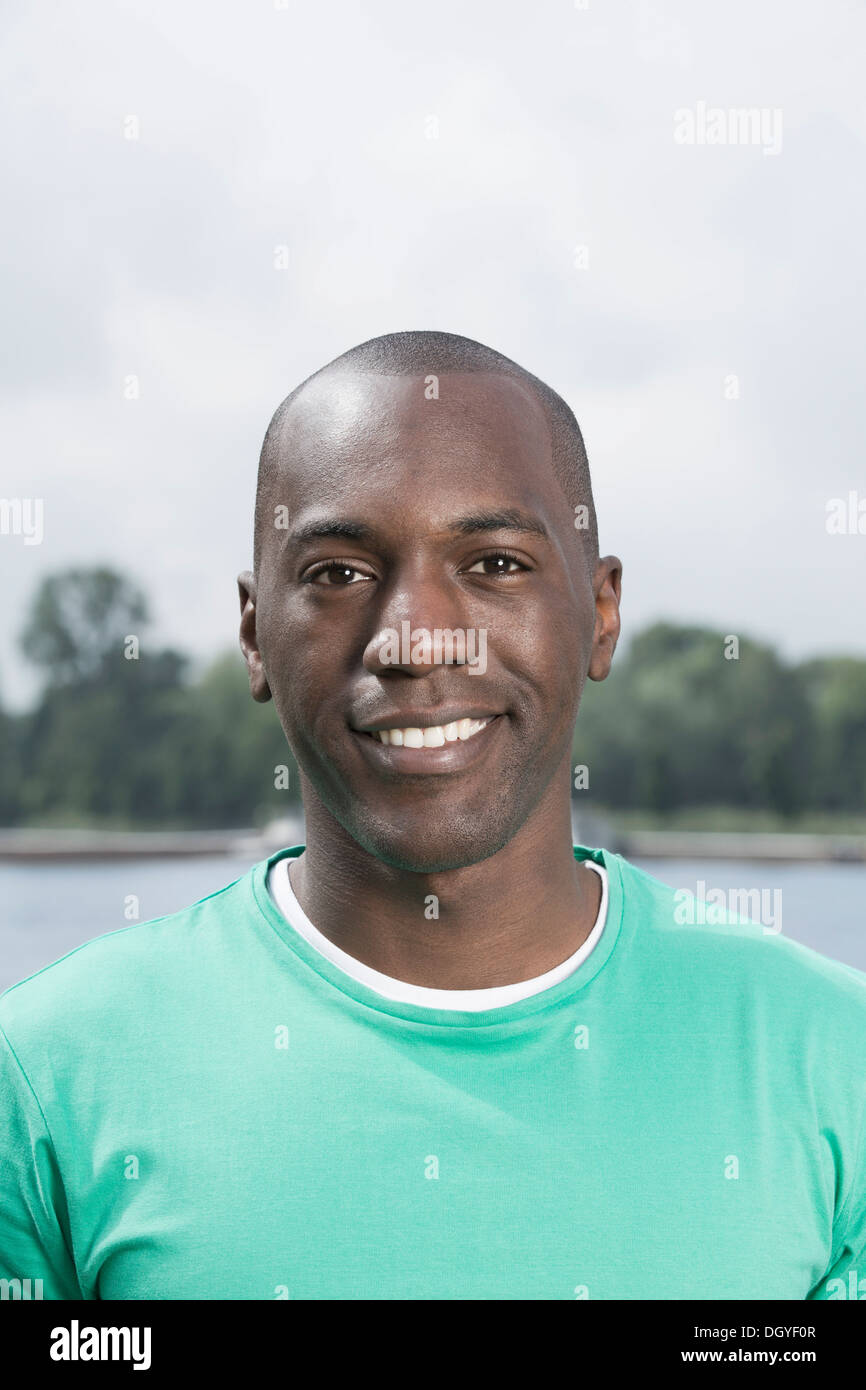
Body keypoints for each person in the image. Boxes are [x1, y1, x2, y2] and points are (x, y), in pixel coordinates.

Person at [1, 330, 864, 1300]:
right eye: (337, 573)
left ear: (600, 610)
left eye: (493, 563)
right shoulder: (42, 1078)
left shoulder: (837, 1063)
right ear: (253, 633)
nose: (415, 639)